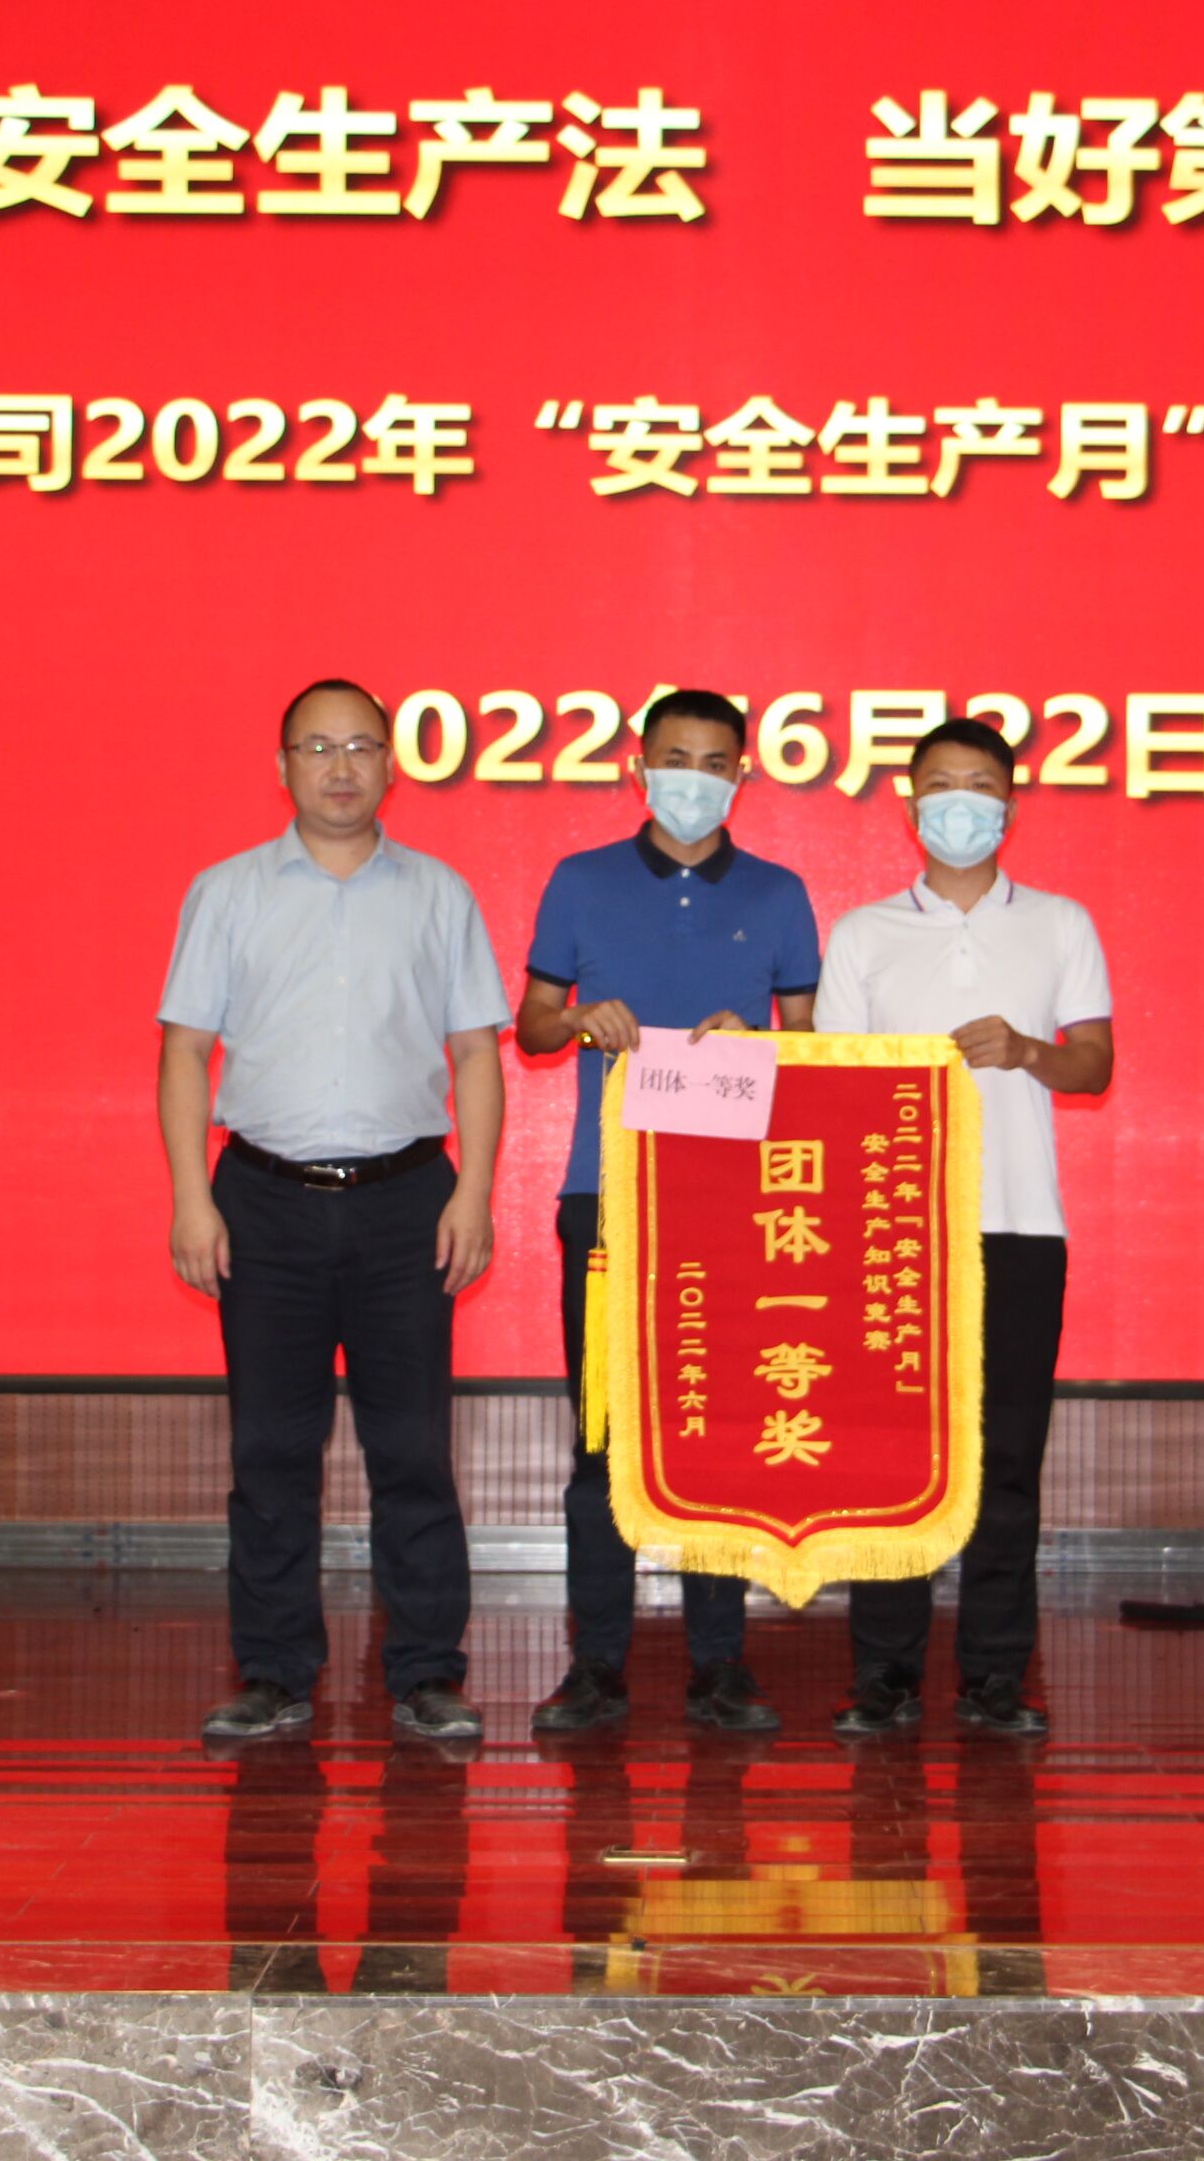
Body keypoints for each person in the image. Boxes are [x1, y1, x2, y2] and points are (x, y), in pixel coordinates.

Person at [157, 678, 509, 1746]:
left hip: (408, 1203)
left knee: (413, 1449)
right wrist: (190, 1199)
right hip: (263, 1203)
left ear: (393, 765)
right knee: (271, 1449)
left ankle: (427, 1673)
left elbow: (476, 1054)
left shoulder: (439, 893)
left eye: (360, 747)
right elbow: (185, 1051)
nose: (340, 767)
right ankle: (273, 1673)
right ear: (282, 768)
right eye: (317, 748)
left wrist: (474, 1194)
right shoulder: (226, 891)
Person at [516, 689, 822, 1735]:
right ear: (638, 767)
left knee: (721, 1434)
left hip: (733, 1196)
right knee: (603, 1437)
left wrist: (761, 1045)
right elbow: (532, 1025)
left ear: (743, 774)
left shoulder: (780, 893)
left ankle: (720, 1664)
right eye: (675, 758)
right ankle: (595, 1664)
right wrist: (576, 1018)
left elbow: (811, 1045)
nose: (694, 778)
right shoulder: (580, 879)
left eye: (715, 761)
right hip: (607, 1197)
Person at [815, 716, 1114, 1741]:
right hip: (893, 1228)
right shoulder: (863, 934)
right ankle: (884, 1674)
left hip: (1019, 1226)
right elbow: (831, 1087)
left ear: (1010, 806)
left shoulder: (1061, 923)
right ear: (910, 805)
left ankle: (994, 1674)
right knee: (885, 1458)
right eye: (939, 785)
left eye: (980, 786)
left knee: (1008, 1462)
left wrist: (1029, 1050)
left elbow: (1095, 1063)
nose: (960, 804)